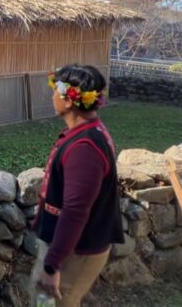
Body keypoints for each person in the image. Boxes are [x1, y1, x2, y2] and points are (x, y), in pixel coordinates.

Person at [30, 64, 123, 307]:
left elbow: (75, 211)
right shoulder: (87, 134)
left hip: (73, 254)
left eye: (55, 90)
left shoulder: (85, 148)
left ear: (69, 100)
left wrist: (52, 265)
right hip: (68, 248)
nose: (52, 96)